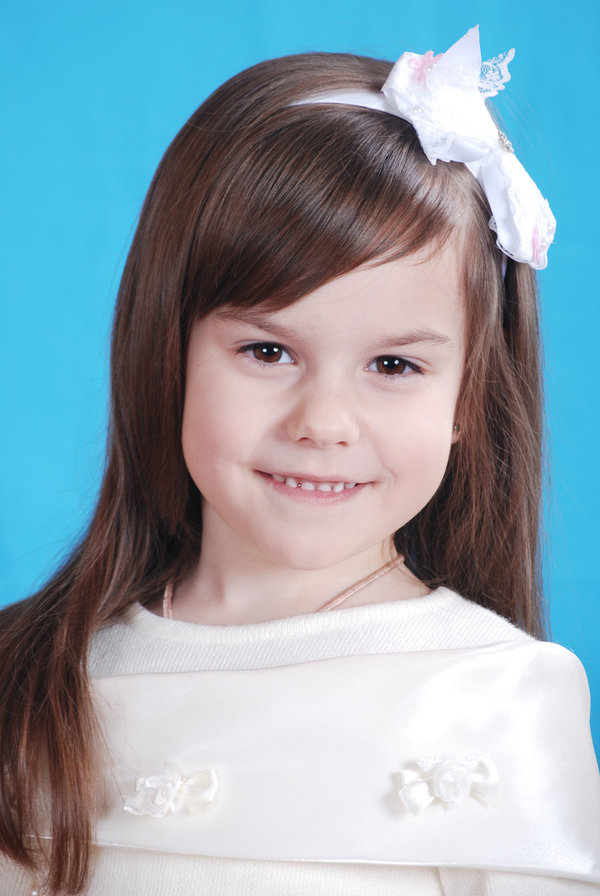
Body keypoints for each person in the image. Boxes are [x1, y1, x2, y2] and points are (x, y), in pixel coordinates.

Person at [1, 25, 598, 896]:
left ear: (470, 395)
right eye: (268, 352)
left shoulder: (497, 697)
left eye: (394, 366)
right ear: (165, 352)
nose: (323, 423)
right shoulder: (31, 675)